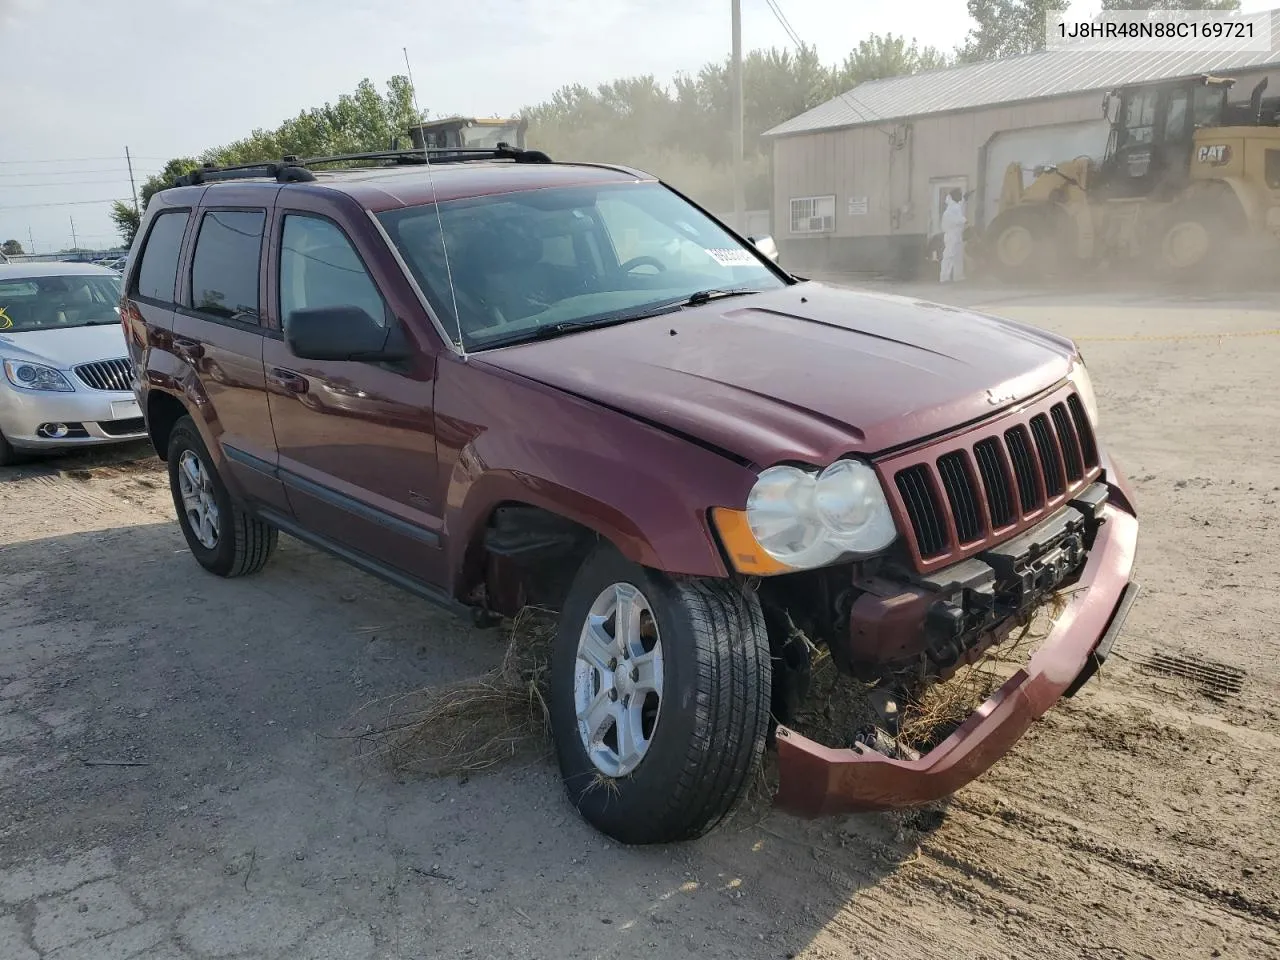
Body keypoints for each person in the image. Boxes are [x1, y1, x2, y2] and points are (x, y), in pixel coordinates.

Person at [939, 188, 967, 283]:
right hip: (951, 235)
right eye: (959, 194)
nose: (960, 196)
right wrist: (964, 220)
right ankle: (944, 277)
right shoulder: (951, 209)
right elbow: (955, 220)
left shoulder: (955, 206)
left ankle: (958, 276)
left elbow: (961, 205)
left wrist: (965, 199)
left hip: (957, 235)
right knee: (949, 256)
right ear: (954, 196)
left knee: (958, 257)